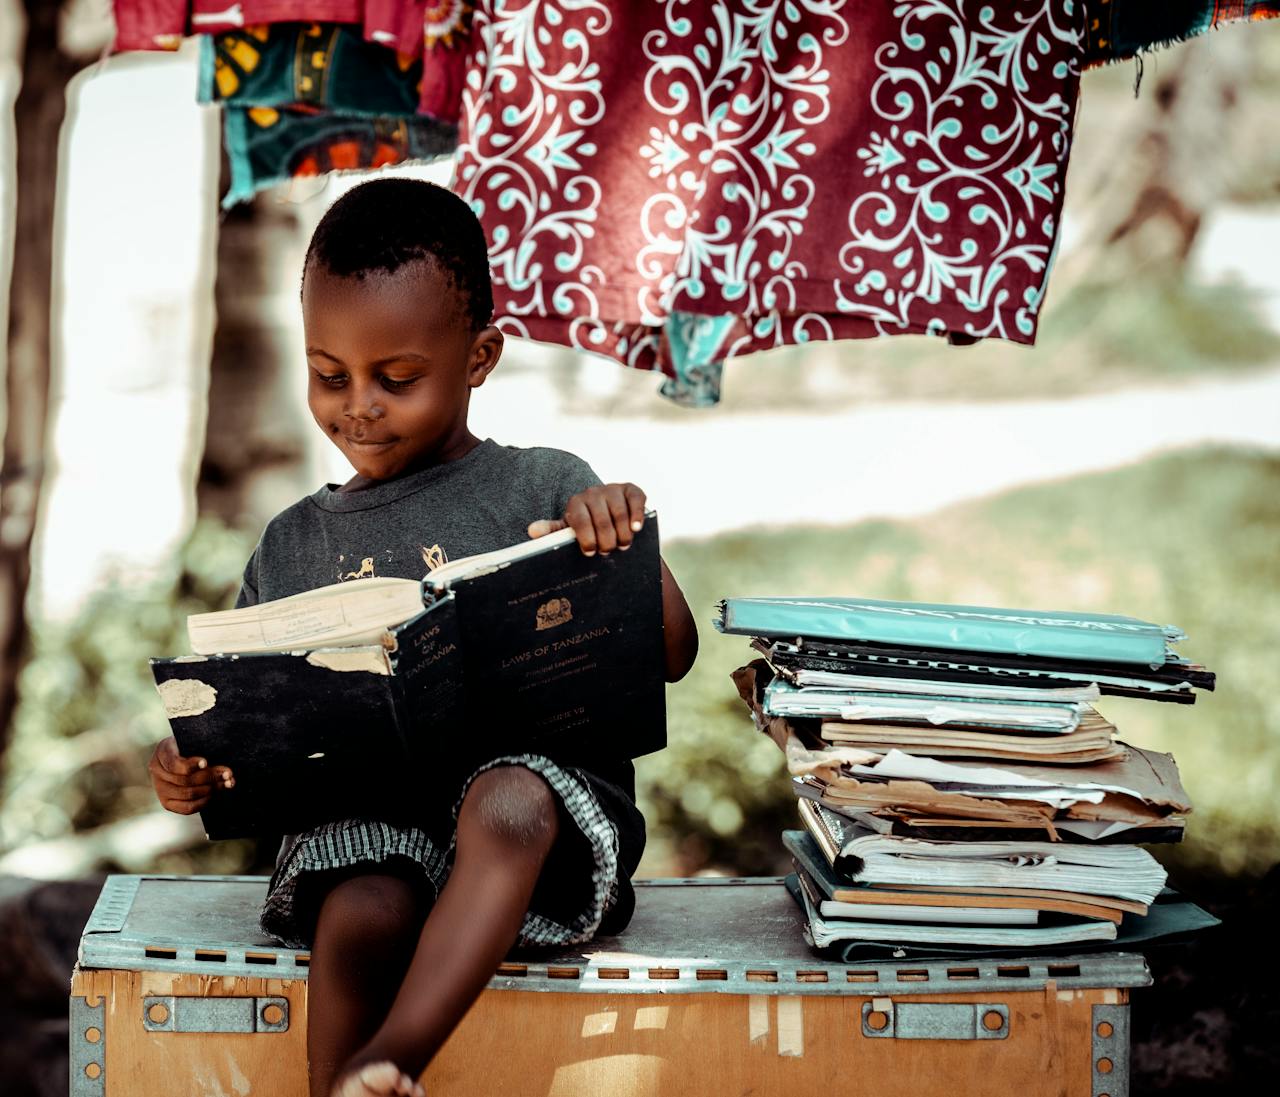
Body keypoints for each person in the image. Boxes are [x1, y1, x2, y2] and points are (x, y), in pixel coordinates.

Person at [147, 178, 699, 1097]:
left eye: (395, 378)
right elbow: (243, 715)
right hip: (375, 836)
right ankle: (341, 1091)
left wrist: (625, 545)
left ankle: (392, 1057)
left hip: (534, 849)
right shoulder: (292, 542)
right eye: (329, 374)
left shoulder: (547, 483)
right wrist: (189, 764)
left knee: (508, 798)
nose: (358, 406)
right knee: (362, 894)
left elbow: (670, 653)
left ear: (480, 356)